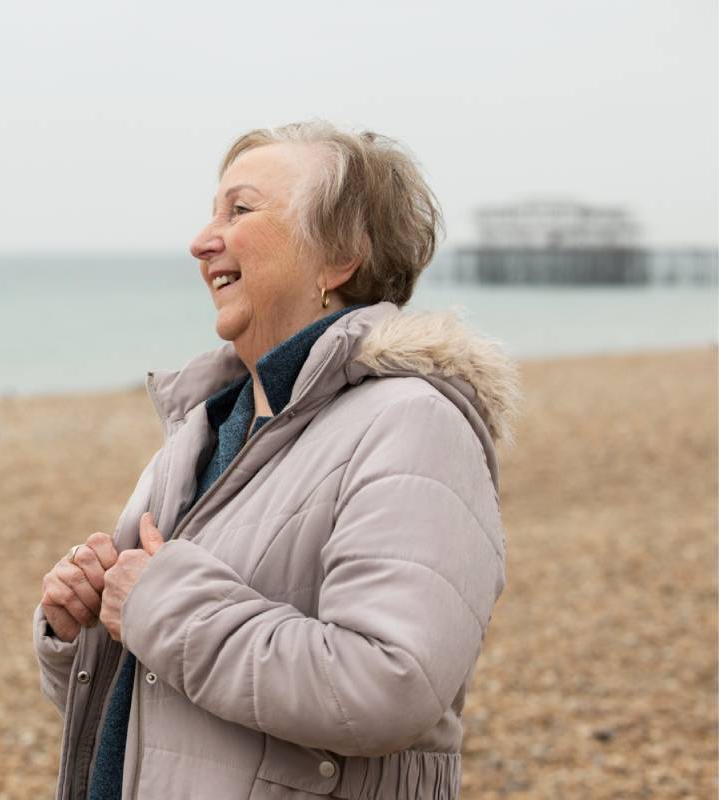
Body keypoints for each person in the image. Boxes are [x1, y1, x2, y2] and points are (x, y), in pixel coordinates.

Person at [32, 119, 520, 800]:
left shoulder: (412, 422)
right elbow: (163, 705)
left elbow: (388, 686)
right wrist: (78, 629)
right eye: (210, 213)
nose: (202, 241)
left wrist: (159, 602)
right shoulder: (204, 431)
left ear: (341, 255)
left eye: (241, 209)